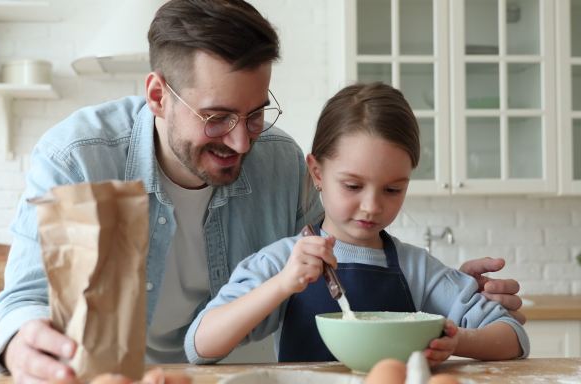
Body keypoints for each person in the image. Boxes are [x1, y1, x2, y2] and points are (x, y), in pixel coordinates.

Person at [0, 0, 524, 382]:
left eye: (256, 112)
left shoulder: (282, 160)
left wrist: (436, 290)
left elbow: (338, 259)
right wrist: (22, 341)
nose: (242, 141)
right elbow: (25, 299)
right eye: (217, 117)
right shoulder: (77, 157)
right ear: (157, 95)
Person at [183, 83, 529, 365]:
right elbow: (200, 345)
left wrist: (457, 340)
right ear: (317, 173)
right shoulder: (282, 262)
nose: (372, 206)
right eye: (352, 186)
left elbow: (513, 336)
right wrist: (283, 285)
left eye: (393, 189)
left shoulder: (417, 269)